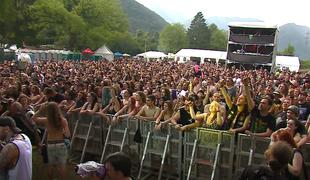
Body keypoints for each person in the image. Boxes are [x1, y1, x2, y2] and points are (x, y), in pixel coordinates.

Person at [32, 102, 71, 180]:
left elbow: (33, 118)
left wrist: (40, 110)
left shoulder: (47, 120)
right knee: (62, 165)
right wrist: (63, 132)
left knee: (51, 165)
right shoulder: (63, 120)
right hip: (60, 144)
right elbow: (68, 135)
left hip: (50, 145)